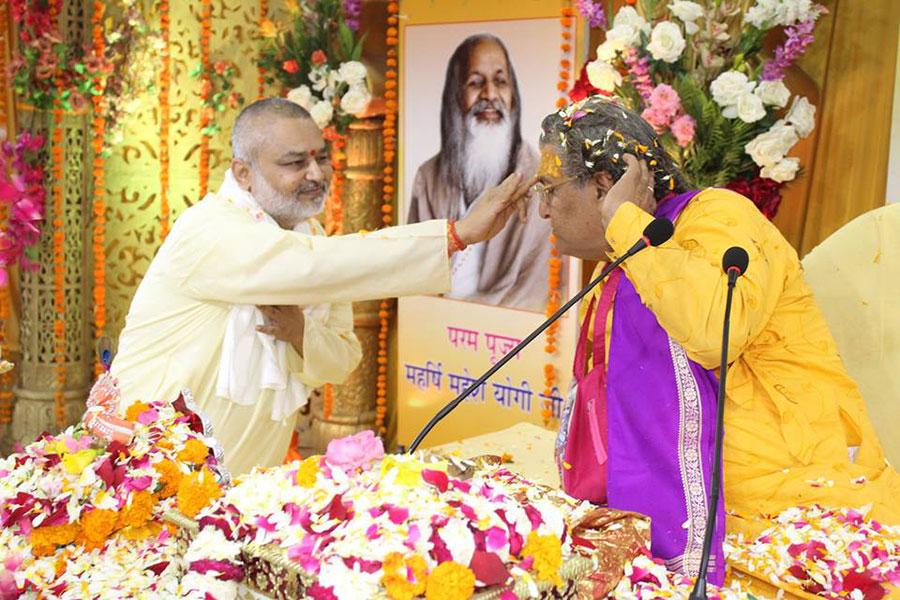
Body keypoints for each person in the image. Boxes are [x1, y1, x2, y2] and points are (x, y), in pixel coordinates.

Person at [539, 95, 899, 583]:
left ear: (605, 184)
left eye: (550, 190)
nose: (542, 210)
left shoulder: (720, 217)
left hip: (778, 503)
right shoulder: (619, 261)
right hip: (693, 500)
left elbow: (711, 331)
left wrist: (623, 220)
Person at [110, 98, 531, 475]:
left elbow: (342, 356)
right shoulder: (210, 230)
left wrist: (300, 334)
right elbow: (306, 267)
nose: (316, 174)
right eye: (295, 163)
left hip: (242, 480)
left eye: (321, 158)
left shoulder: (313, 243)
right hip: (143, 465)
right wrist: (455, 235)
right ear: (243, 173)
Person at [408, 34, 557, 311]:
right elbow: (411, 272)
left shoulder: (541, 180)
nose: (490, 95)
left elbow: (535, 293)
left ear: (513, 94)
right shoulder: (428, 178)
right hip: (432, 337)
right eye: (475, 83)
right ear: (456, 95)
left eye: (500, 81)